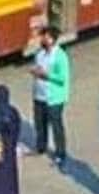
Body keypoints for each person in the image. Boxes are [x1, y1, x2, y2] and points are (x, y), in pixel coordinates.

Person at [30, 27, 70, 168]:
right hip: (39, 96)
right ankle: (41, 147)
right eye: (42, 37)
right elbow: (37, 68)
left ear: (52, 40)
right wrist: (35, 71)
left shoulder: (60, 56)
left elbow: (62, 78)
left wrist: (46, 75)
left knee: (56, 126)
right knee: (39, 124)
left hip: (54, 98)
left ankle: (60, 153)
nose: (42, 39)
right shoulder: (39, 54)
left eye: (45, 37)